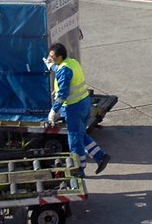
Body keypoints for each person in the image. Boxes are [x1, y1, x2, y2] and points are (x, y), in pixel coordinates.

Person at [45, 43, 109, 175]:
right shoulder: (71, 63)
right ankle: (100, 156)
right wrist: (52, 66)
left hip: (74, 108)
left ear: (60, 57)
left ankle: (78, 169)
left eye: (52, 57)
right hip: (84, 103)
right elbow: (62, 71)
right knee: (81, 134)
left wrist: (53, 111)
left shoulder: (64, 70)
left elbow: (62, 93)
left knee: (74, 139)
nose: (50, 59)